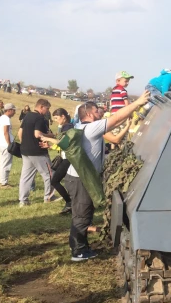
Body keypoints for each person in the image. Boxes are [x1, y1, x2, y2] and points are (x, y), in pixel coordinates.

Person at [40, 90, 150, 261]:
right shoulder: (91, 128)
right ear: (90, 114)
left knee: (83, 212)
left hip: (77, 177)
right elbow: (114, 119)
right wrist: (137, 103)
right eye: (97, 110)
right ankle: (78, 251)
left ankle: (81, 246)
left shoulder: (85, 128)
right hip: (80, 179)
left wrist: (131, 118)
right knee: (82, 213)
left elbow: (115, 123)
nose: (100, 112)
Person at [18, 99, 54, 206]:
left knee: (26, 176)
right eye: (47, 109)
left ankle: (23, 200)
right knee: (49, 174)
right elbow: (37, 134)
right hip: (38, 151)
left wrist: (25, 143)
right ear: (41, 107)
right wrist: (51, 136)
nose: (47, 111)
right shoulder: (39, 118)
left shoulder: (27, 116)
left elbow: (20, 132)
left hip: (25, 150)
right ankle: (49, 197)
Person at [49, 108, 73, 214]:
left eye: (56, 118)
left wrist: (48, 140)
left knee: (54, 181)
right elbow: (60, 143)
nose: (55, 120)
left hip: (68, 158)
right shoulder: (65, 126)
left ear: (63, 116)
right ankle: (70, 202)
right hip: (65, 157)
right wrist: (51, 146)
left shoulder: (67, 127)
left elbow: (64, 143)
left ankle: (69, 202)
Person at [0, 103, 17, 189]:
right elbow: (6, 132)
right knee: (6, 164)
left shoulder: (0, 118)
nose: (14, 112)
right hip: (5, 144)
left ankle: (3, 181)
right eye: (13, 110)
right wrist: (9, 144)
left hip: (1, 143)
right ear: (9, 110)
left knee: (2, 163)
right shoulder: (6, 119)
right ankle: (4, 183)